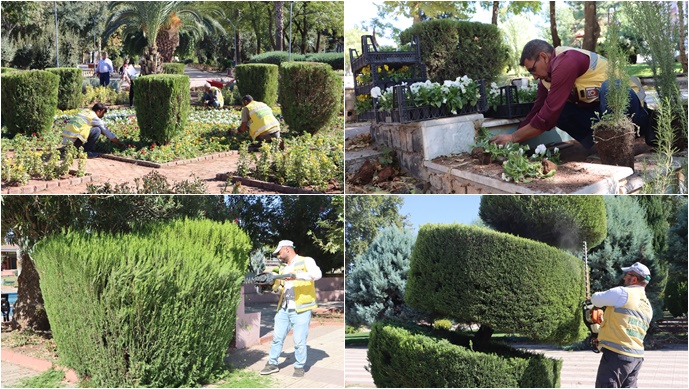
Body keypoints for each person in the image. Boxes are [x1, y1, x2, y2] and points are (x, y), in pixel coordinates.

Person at [490, 39, 650, 150]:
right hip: (602, 117)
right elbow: (536, 113)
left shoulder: (567, 60)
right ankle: (600, 147)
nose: (534, 76)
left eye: (532, 69)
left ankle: (618, 146)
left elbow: (548, 115)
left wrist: (514, 138)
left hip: (634, 114)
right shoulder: (545, 81)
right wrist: (512, 138)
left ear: (544, 57)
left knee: (610, 88)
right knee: (561, 111)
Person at [260, 240, 322, 378]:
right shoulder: (282, 269)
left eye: (279, 252)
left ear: (287, 249)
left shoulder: (306, 261)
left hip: (302, 309)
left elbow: (317, 274)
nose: (277, 255)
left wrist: (296, 276)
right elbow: (280, 289)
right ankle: (272, 363)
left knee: (299, 340)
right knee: (277, 338)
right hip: (284, 308)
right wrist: (269, 286)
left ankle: (299, 366)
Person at [591, 262, 653, 388]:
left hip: (617, 356)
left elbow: (596, 299)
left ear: (634, 279)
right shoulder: (648, 306)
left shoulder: (623, 293)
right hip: (636, 357)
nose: (624, 277)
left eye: (627, 274)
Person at [61, 102, 126, 155]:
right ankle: (87, 152)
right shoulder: (94, 117)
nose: (103, 116)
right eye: (103, 113)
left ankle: (75, 148)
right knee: (97, 130)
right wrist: (120, 143)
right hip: (74, 140)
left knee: (94, 129)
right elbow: (108, 134)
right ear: (99, 111)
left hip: (66, 139)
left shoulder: (85, 111)